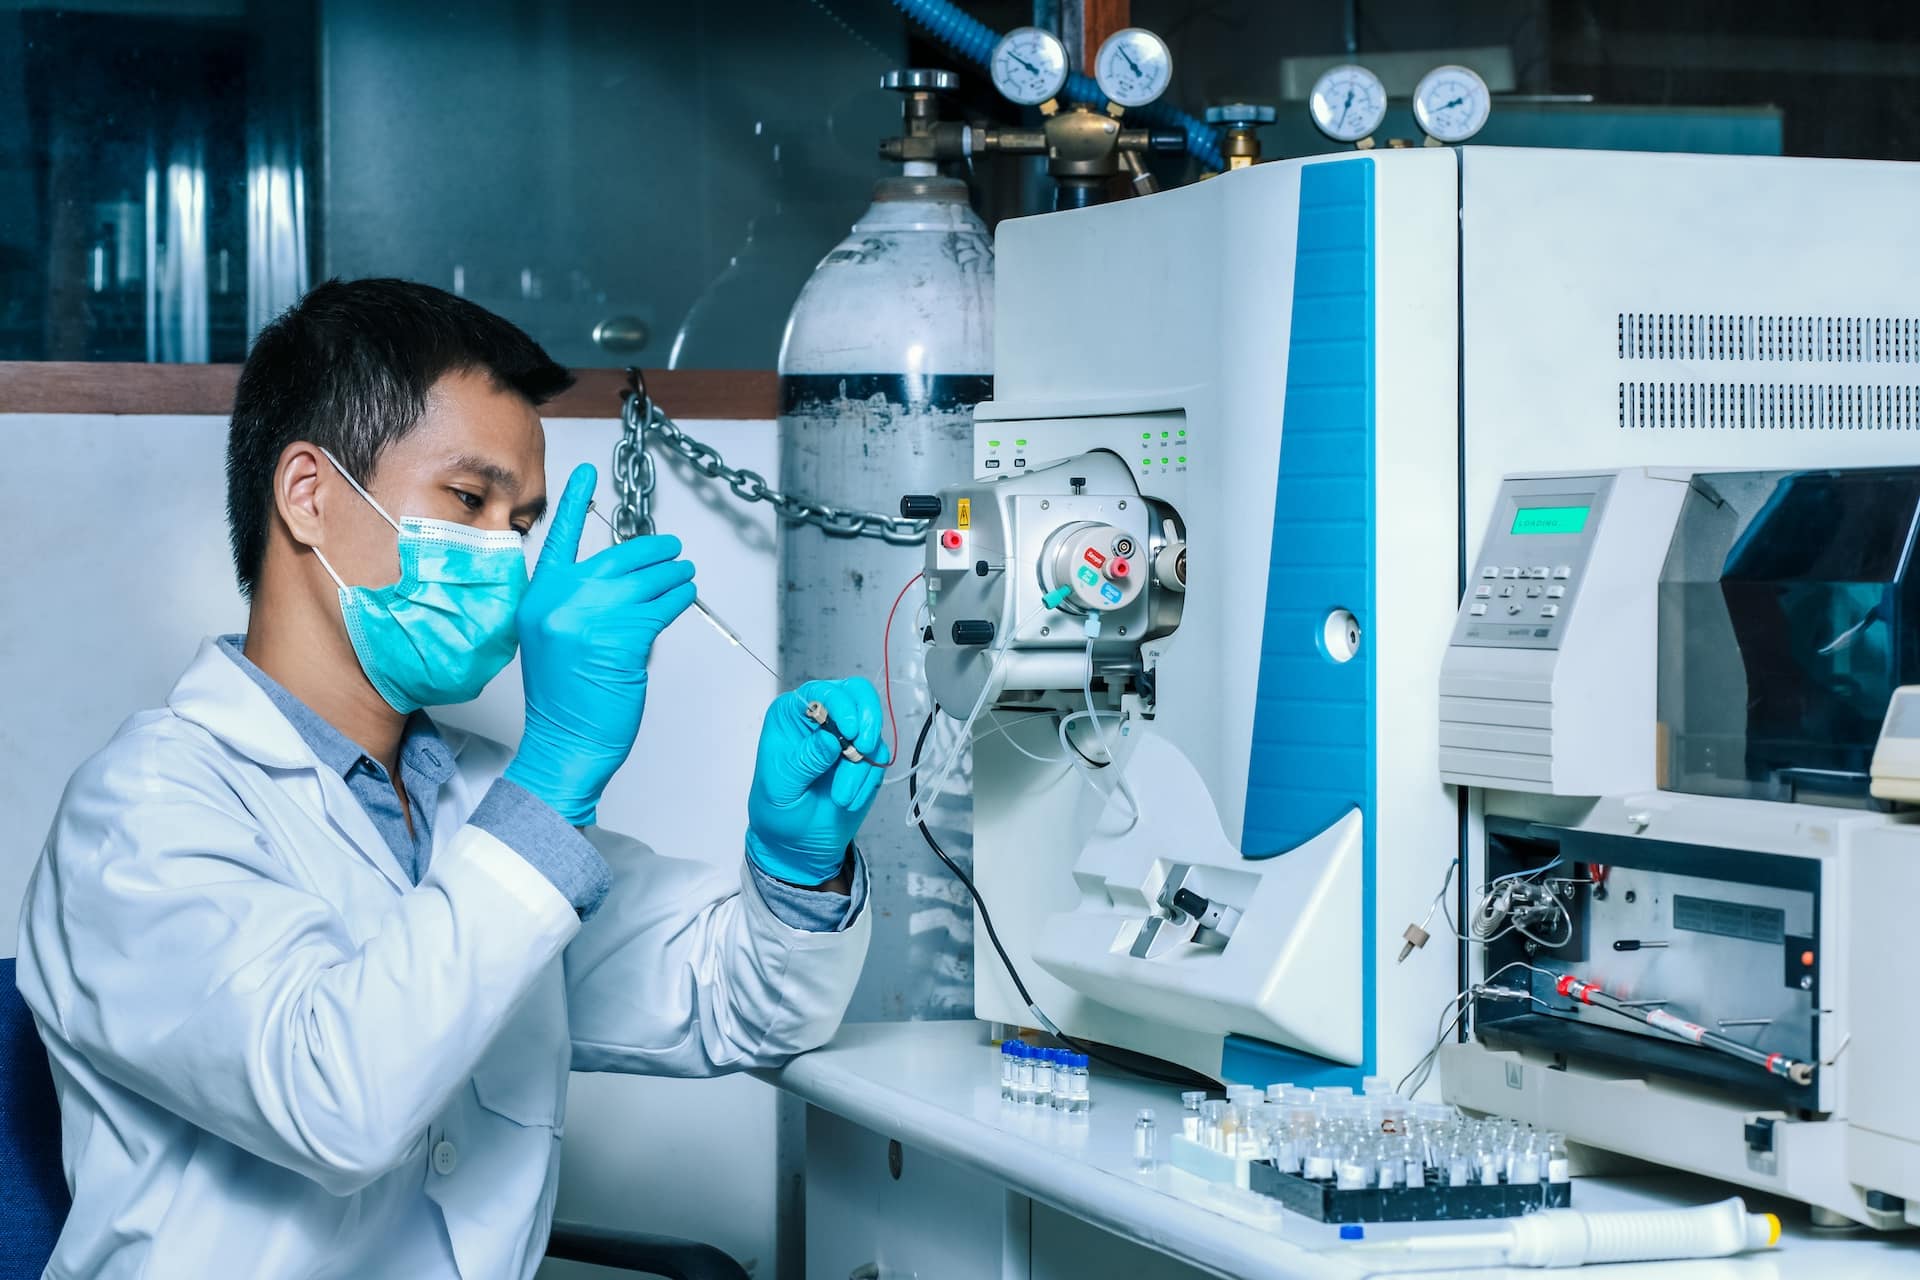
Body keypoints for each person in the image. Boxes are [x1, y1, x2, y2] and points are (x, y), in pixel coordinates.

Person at [15, 278, 887, 1278]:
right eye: (468, 500)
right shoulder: (139, 815)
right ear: (309, 494)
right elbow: (334, 1095)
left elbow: (737, 1002)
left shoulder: (476, 803)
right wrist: (556, 772)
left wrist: (794, 869)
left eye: (518, 522)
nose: (503, 559)